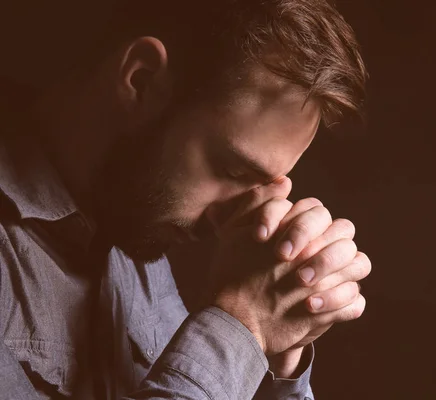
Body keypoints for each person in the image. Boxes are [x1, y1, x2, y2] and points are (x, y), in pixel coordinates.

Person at [0, 0, 370, 398]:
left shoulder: (129, 223)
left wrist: (276, 356)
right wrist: (244, 326)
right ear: (141, 81)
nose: (225, 222)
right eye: (231, 170)